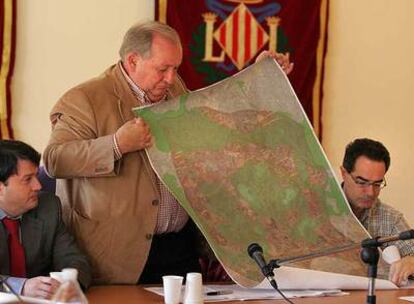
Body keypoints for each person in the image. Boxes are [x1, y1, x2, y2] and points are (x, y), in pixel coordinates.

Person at [43, 21, 293, 284]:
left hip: (178, 245)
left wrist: (258, 78)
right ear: (132, 61)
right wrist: (117, 144)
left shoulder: (173, 89)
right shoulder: (85, 99)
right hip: (116, 253)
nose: (171, 78)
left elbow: (214, 118)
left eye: (175, 69)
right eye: (163, 69)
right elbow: (54, 159)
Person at [0, 140, 91, 299]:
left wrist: (69, 283)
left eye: (36, 176)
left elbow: (74, 260)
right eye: (28, 179)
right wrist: (22, 287)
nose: (38, 186)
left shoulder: (48, 207)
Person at [341, 138, 414, 286]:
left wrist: (411, 261)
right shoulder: (314, 209)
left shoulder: (390, 218)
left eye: (377, 184)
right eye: (362, 182)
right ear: (343, 173)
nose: (370, 192)